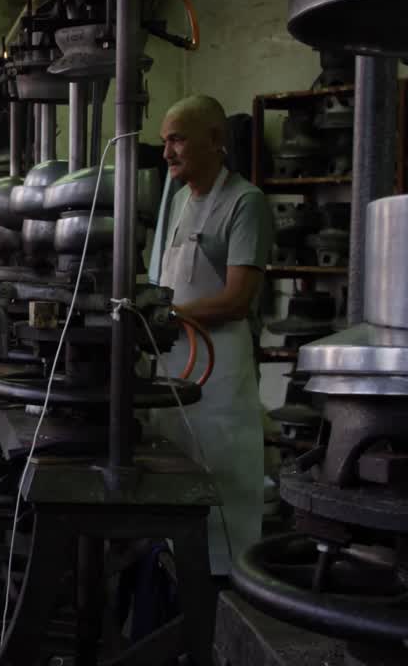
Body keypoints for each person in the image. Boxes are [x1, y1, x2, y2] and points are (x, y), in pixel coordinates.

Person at [148, 95, 272, 577]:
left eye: (177, 139)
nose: (167, 153)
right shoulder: (178, 201)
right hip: (175, 359)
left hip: (219, 370)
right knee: (175, 478)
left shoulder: (246, 202)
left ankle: (225, 589)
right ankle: (173, 583)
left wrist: (164, 313)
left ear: (216, 140)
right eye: (164, 142)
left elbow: (237, 298)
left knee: (221, 483)